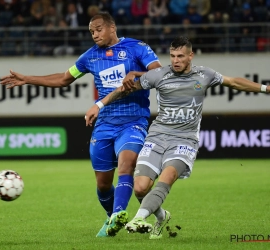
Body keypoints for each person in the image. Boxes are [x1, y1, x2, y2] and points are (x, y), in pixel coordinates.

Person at [85, 36, 270, 239]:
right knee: (140, 188)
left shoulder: (204, 74)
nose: (175, 60)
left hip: (184, 140)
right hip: (157, 137)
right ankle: (162, 217)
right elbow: (124, 89)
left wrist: (265, 88)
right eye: (172, 56)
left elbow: (234, 82)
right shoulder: (159, 75)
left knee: (168, 176)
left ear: (191, 56)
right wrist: (99, 105)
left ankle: (138, 218)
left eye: (180, 56)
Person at [0, 12, 162, 237]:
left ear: (112, 27)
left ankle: (117, 216)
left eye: (98, 29)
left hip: (133, 121)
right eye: (91, 31)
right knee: (103, 184)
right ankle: (110, 216)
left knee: (127, 165)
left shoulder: (137, 48)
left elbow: (160, 73)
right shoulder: (90, 57)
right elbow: (64, 79)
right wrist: (28, 79)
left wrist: (136, 75)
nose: (94, 34)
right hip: (104, 124)